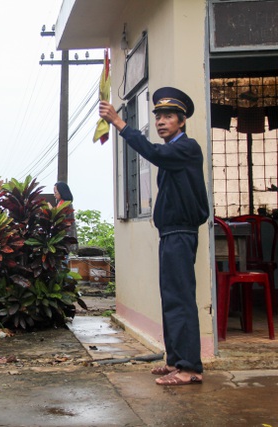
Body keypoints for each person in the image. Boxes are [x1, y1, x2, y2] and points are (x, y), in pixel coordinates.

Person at [99, 87, 209, 386]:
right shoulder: (175, 151)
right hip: (171, 233)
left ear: (181, 121)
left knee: (181, 299)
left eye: (168, 116)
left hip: (180, 233)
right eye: (158, 116)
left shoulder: (186, 148)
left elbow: (154, 153)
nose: (161, 121)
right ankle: (175, 360)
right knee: (172, 298)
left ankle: (189, 368)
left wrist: (120, 124)